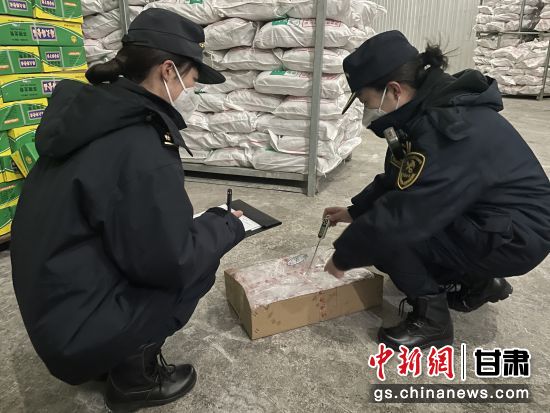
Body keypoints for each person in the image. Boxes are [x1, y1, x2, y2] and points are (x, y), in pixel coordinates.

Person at [10, 9, 245, 412]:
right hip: (75, 332)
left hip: (54, 309)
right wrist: (226, 225)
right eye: (192, 78)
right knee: (198, 264)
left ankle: (108, 355)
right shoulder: (140, 145)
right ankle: (134, 380)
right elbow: (171, 261)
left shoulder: (91, 117)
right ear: (167, 70)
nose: (191, 88)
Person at [323, 31, 550, 350]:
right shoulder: (424, 111)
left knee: (390, 237)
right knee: (384, 223)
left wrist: (345, 254)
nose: (367, 110)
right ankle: (479, 283)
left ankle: (433, 322)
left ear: (394, 90)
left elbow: (407, 213)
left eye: (366, 101)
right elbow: (401, 177)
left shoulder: (449, 127)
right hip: (498, 221)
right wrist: (354, 211)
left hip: (518, 236)